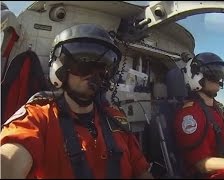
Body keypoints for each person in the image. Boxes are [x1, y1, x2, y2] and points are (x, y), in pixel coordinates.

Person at [0, 23, 153, 179]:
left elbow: (141, 170)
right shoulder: (38, 117)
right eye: (82, 65)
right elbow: (10, 159)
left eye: (101, 69)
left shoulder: (116, 118)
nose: (93, 75)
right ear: (59, 70)